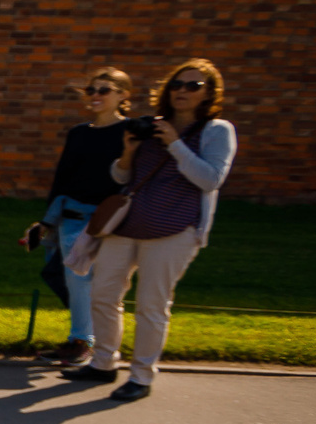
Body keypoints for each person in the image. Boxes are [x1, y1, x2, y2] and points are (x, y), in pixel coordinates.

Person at [61, 58, 237, 402]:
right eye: (177, 84)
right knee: (102, 294)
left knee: (151, 305)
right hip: (126, 225)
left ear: (208, 94)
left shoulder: (217, 131)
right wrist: (127, 154)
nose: (182, 92)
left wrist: (174, 143)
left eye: (193, 86)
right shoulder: (150, 126)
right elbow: (122, 177)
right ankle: (103, 363)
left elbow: (211, 179)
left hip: (174, 229)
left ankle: (141, 376)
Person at [23, 67, 131, 367]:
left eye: (104, 90)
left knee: (99, 284)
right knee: (75, 281)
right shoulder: (79, 133)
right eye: (91, 90)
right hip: (72, 218)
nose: (95, 96)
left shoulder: (131, 132)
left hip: (110, 220)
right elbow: (63, 180)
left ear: (123, 95)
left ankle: (87, 343)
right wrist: (45, 222)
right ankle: (81, 341)